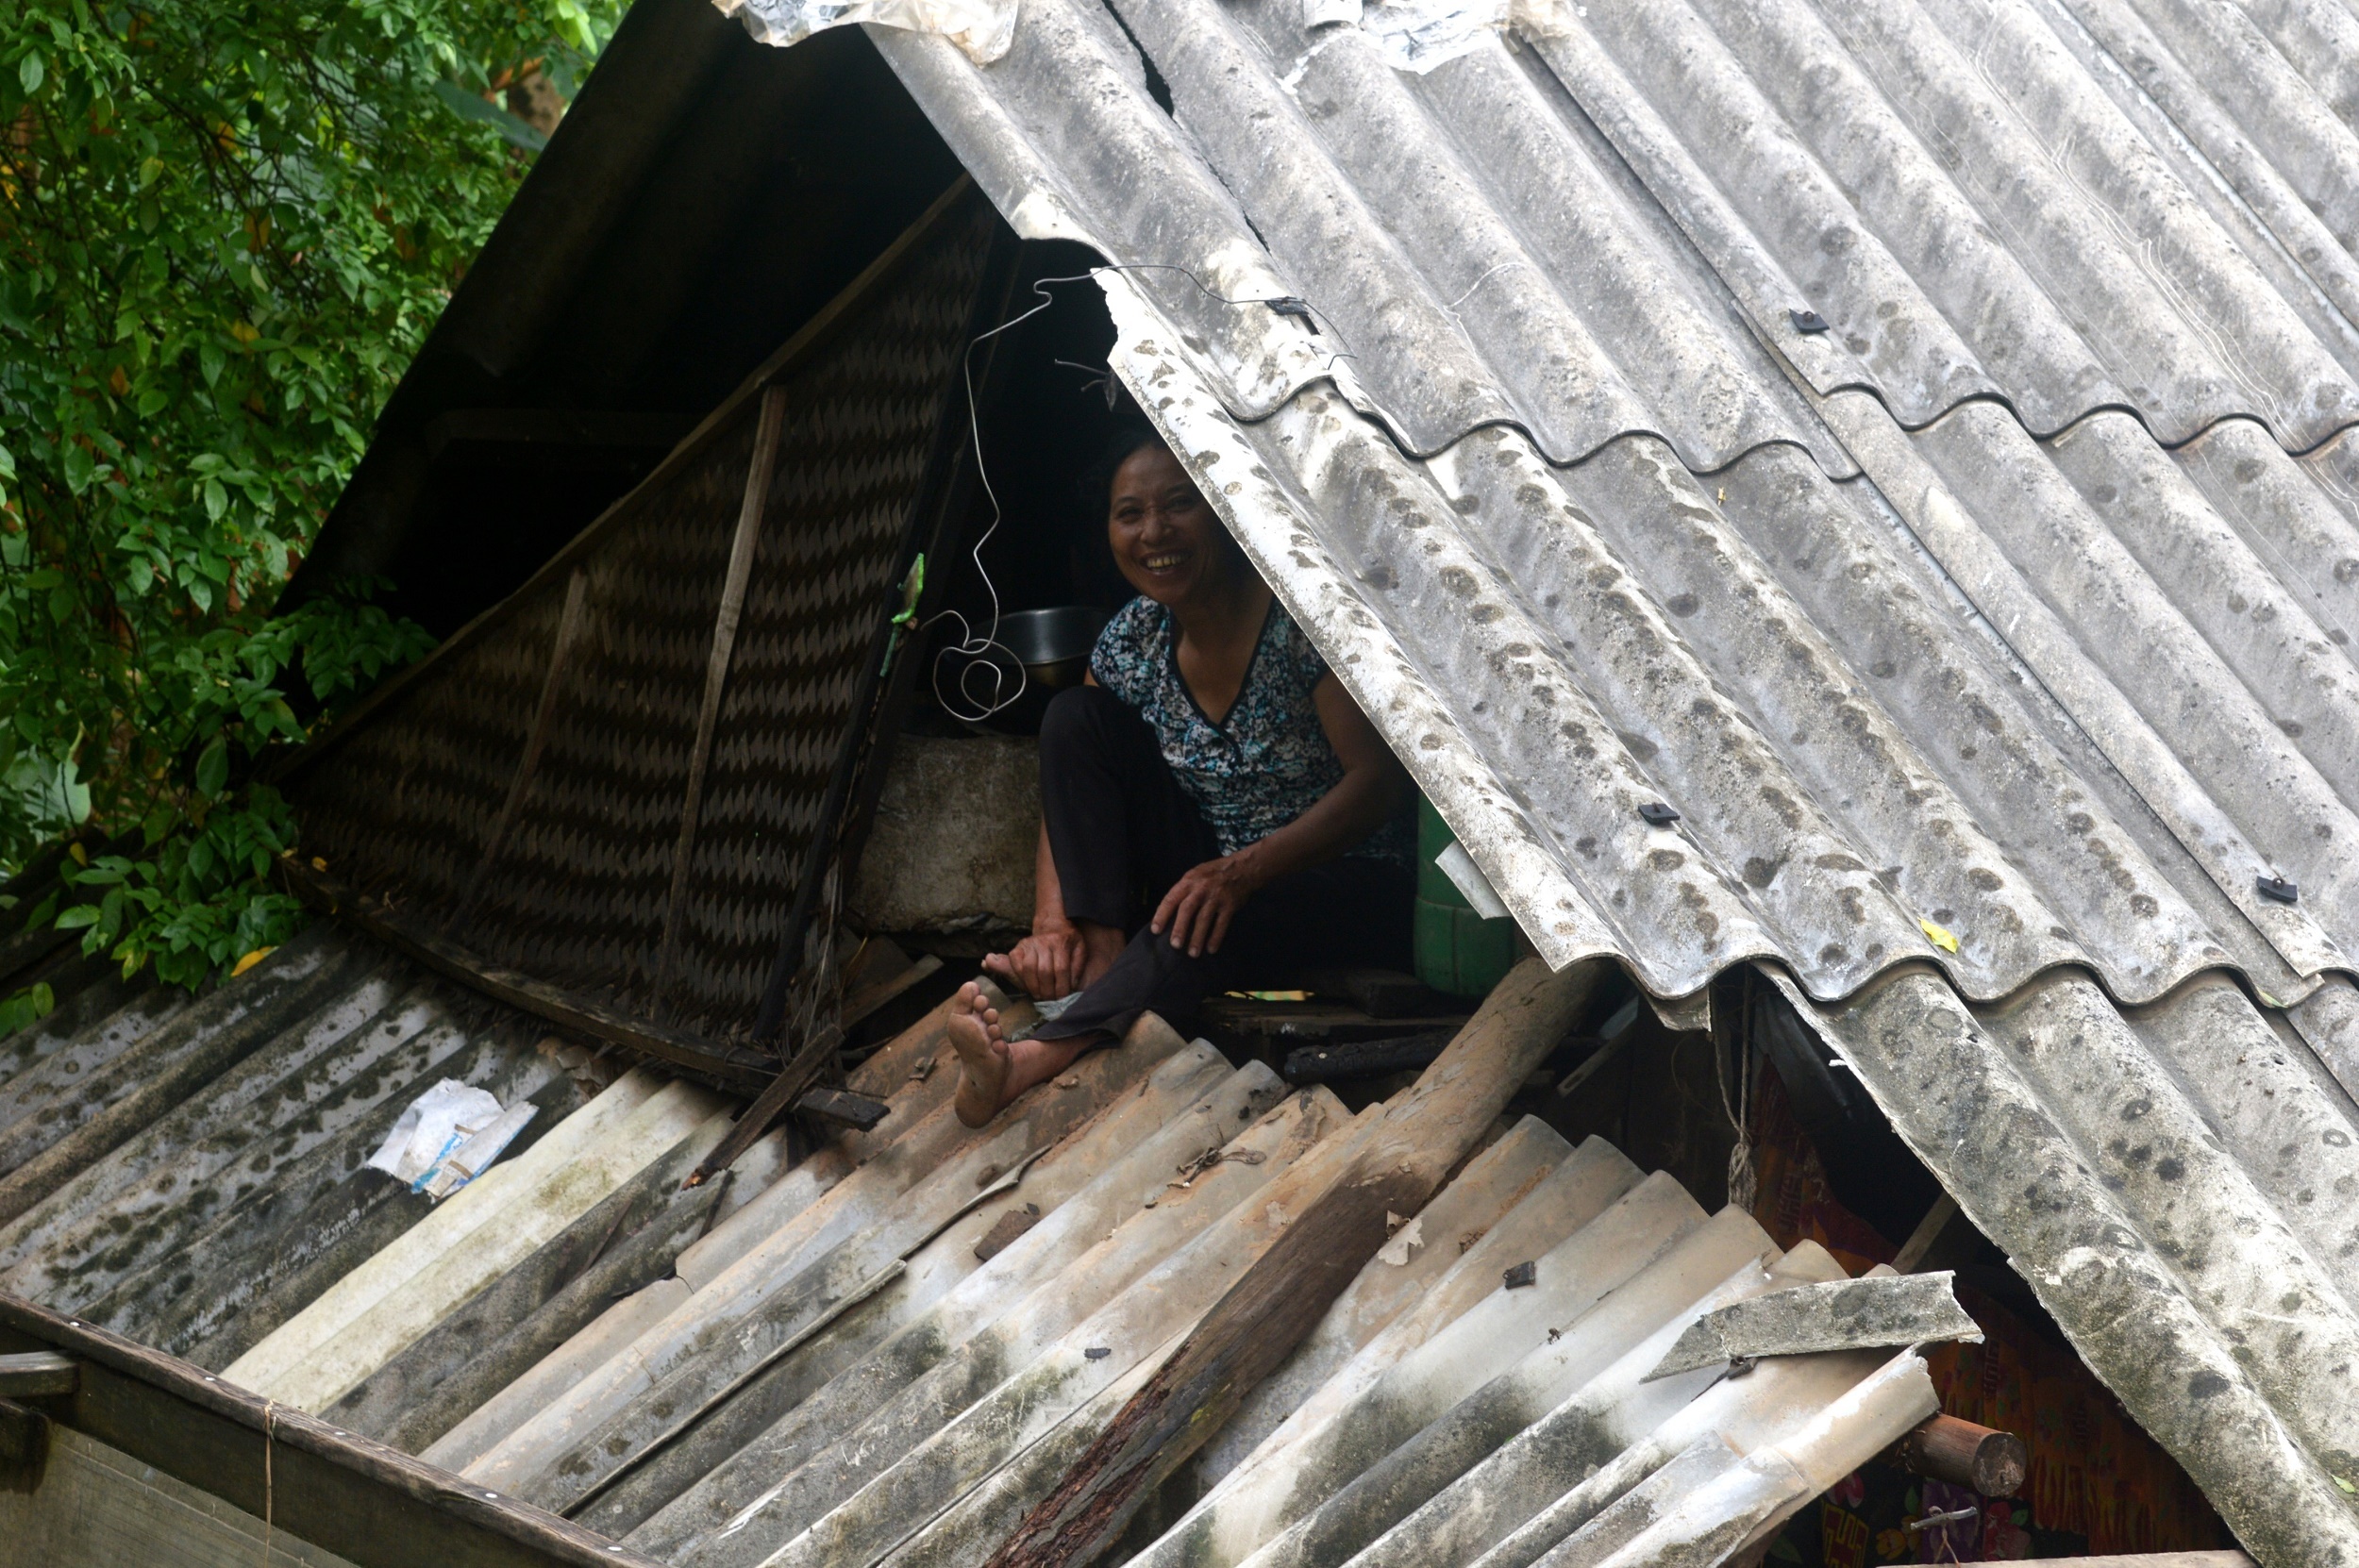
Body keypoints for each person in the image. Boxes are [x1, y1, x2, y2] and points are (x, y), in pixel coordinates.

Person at [945, 427, 1414, 1126]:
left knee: (1198, 917)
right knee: (1075, 715)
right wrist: (1054, 924)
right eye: (1129, 513)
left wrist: (1244, 872)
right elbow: (1074, 782)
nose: (1154, 532)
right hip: (1216, 873)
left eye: (1179, 504)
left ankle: (1027, 1062)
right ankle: (1098, 955)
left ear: (1222, 511)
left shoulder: (1297, 621)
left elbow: (1378, 785)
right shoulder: (1135, 637)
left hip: (1339, 881)